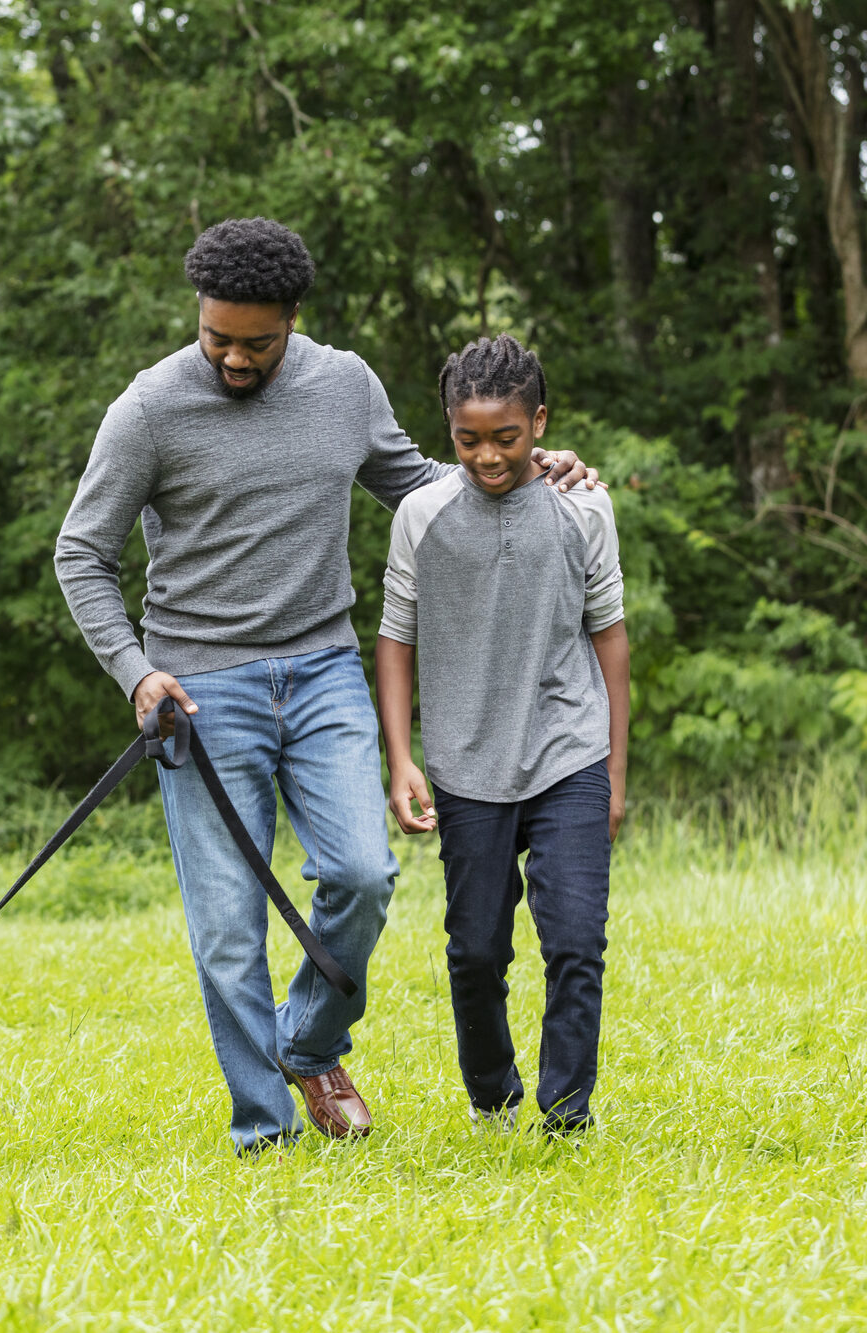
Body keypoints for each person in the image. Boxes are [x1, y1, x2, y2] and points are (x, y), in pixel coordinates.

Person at [54, 217, 597, 1152]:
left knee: (363, 873)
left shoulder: (344, 385)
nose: (230, 356)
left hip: (321, 672)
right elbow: (81, 552)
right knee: (228, 933)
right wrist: (137, 672)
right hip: (199, 690)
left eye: (254, 342)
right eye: (215, 335)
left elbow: (422, 486)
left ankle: (307, 1040)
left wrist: (526, 471)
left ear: (294, 320)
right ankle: (264, 1131)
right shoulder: (147, 409)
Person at [376, 335, 628, 1136]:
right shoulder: (421, 514)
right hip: (465, 760)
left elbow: (610, 636)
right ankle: (492, 1096)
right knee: (476, 948)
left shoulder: (583, 506)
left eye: (508, 437)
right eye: (468, 438)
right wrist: (401, 755)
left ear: (540, 422)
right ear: (448, 429)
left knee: (577, 940)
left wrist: (616, 771)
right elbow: (394, 636)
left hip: (569, 752)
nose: (488, 455)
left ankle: (566, 1115)